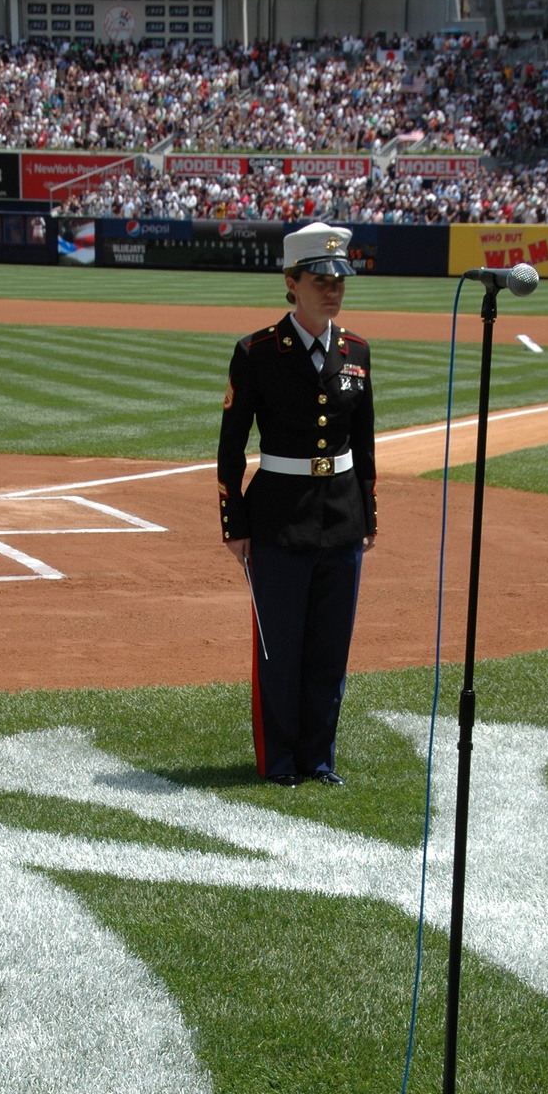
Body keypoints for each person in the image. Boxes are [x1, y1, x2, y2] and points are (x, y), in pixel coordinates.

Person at [217, 221, 377, 788]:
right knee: (278, 652)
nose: (332, 289)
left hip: (341, 518)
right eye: (319, 279)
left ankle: (319, 759)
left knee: (329, 652)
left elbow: (364, 443)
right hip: (277, 519)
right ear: (291, 282)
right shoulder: (256, 352)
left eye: (339, 279)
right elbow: (231, 446)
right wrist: (233, 521)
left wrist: (368, 516)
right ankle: (280, 761)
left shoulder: (356, 350)